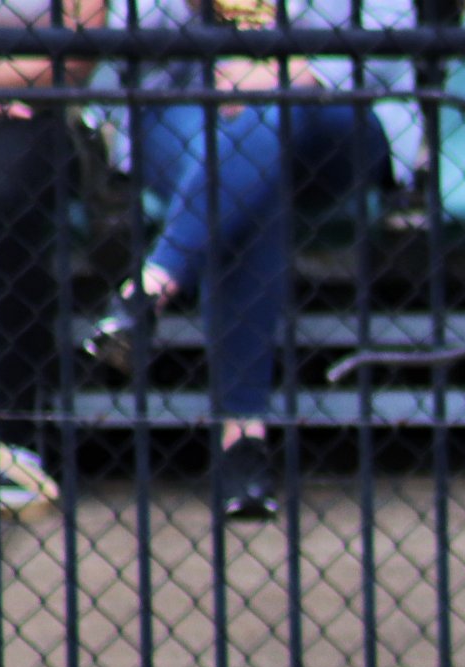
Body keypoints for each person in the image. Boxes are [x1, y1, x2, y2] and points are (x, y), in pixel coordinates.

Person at [85, 0, 425, 520]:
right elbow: (130, 43)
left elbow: (387, 40)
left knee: (265, 118)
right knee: (251, 178)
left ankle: (152, 287)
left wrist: (286, 73)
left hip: (333, 111)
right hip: (183, 107)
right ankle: (242, 439)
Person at [0, 0, 96, 518]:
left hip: (34, 114)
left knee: (6, 202)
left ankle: (9, 438)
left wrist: (2, 82)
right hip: (16, 91)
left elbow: (76, 57)